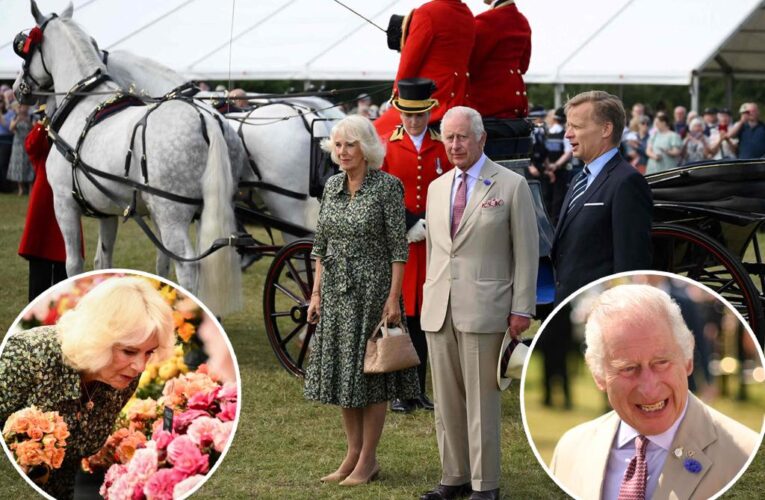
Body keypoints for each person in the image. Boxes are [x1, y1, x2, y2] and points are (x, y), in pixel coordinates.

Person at [420, 106, 538, 500]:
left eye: (462, 137)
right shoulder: (437, 188)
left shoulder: (511, 185)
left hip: (487, 309)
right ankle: (453, 477)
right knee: (446, 402)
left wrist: (522, 308)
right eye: (448, 137)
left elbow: (526, 252)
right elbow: (440, 252)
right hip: (440, 309)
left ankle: (485, 485)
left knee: (483, 403)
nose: (454, 144)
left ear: (481, 139)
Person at [550, 284, 760, 500]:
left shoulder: (746, 456)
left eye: (661, 362)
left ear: (688, 359)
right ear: (598, 375)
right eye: (628, 368)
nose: (649, 389)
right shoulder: (569, 450)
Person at [304, 115, 420, 486]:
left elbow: (397, 248)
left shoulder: (387, 187)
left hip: (372, 292)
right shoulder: (333, 186)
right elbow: (320, 245)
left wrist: (393, 298)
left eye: (350, 145)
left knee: (371, 376)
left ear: (366, 148)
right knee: (344, 374)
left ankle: (368, 459)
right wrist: (316, 292)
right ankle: (352, 454)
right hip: (336, 293)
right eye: (337, 145)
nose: (342, 152)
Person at [0, 276, 176, 499]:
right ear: (98, 338)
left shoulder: (124, 378)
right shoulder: (28, 356)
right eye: (129, 351)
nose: (140, 366)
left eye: (149, 352)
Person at [380, 78, 451, 413]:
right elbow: (381, 192)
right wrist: (408, 221)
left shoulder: (442, 147)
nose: (413, 121)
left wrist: (431, 220)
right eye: (407, 115)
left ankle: (417, 390)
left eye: (419, 115)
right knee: (399, 314)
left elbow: (451, 187)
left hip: (433, 242)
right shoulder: (388, 147)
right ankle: (396, 390)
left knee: (424, 317)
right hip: (400, 243)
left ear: (428, 113)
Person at [552, 91, 652, 305]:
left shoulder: (626, 182)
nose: (567, 134)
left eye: (576, 126)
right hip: (568, 311)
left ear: (606, 129)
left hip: (602, 315)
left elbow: (630, 263)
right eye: (568, 126)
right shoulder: (580, 178)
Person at [374, 0, 475, 137]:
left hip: (427, 100)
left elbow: (409, 61)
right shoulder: (467, 14)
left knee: (367, 137)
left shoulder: (427, 12)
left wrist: (396, 95)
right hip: (458, 98)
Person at [467, 0, 531, 119]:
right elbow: (523, 66)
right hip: (516, 103)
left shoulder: (487, 21)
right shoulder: (522, 20)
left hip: (488, 106)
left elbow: (469, 66)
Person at [6, 102, 35, 194]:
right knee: (18, 165)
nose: (21, 108)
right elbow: (11, 128)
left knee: (29, 165)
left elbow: (34, 128)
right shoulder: (14, 117)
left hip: (28, 143)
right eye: (19, 107)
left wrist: (26, 121)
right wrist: (18, 120)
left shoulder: (31, 117)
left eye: (23, 106)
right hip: (17, 144)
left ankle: (31, 188)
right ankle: (21, 189)